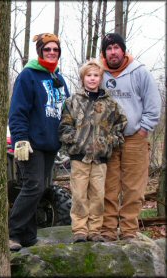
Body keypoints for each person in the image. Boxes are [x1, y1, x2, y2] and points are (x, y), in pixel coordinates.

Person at [8, 33, 70, 251]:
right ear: (40, 51)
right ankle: (13, 233)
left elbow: (66, 112)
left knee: (41, 188)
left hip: (51, 145)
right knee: (32, 186)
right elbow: (17, 111)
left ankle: (29, 235)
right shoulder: (28, 76)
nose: (52, 53)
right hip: (31, 143)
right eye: (47, 49)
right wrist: (20, 139)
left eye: (55, 50)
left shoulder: (59, 79)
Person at [99, 33, 161, 241]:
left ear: (123, 50)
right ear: (104, 52)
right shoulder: (98, 73)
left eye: (117, 47)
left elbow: (153, 104)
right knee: (109, 187)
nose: (113, 52)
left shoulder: (139, 72)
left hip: (134, 137)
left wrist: (144, 129)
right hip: (108, 139)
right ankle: (107, 230)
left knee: (134, 188)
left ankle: (129, 231)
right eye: (109, 48)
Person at [58, 59, 127, 243]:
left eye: (96, 75)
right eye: (89, 75)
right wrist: (75, 142)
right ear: (83, 78)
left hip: (100, 159)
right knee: (79, 194)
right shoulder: (73, 101)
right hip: (79, 158)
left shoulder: (109, 103)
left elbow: (121, 125)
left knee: (97, 195)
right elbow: (64, 126)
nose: (92, 79)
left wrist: (109, 142)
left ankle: (95, 230)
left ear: (100, 78)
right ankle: (80, 230)